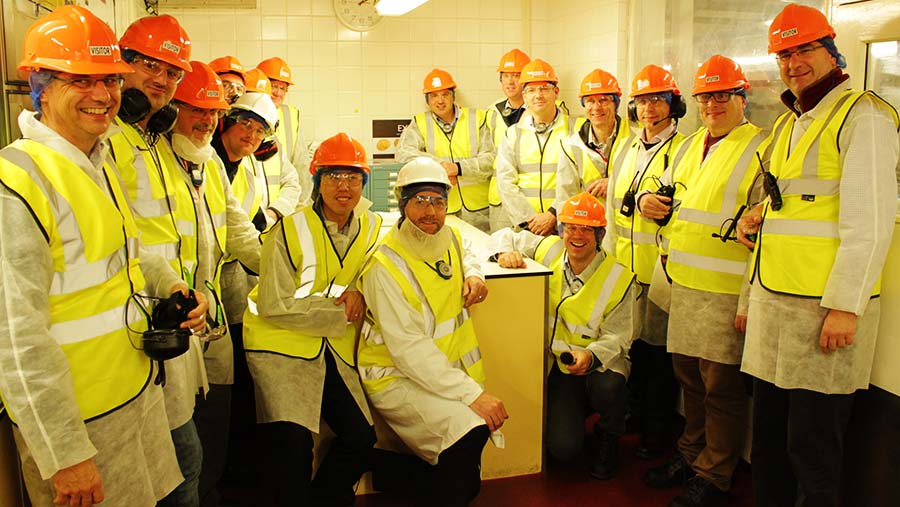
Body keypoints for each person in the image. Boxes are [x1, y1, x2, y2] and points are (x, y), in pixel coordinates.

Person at [0, 6, 208, 506]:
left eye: (110, 80)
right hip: (78, 422)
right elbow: (15, 336)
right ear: (42, 86)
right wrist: (63, 453)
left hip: (134, 396)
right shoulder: (18, 182)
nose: (102, 95)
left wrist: (174, 288)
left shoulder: (97, 163)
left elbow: (131, 255)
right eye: (80, 80)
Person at [735, 4, 899, 506]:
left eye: (804, 49)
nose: (793, 62)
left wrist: (847, 305)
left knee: (813, 450)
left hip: (823, 313)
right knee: (766, 442)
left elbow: (870, 221)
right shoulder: (789, 123)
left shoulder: (862, 115)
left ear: (831, 51)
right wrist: (753, 220)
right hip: (773, 306)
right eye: (784, 53)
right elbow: (789, 205)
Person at [640, 55, 766, 507]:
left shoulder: (759, 147)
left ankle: (715, 473)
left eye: (722, 94)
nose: (712, 103)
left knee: (720, 388)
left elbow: (763, 230)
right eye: (705, 96)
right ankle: (691, 455)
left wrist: (750, 302)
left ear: (741, 97)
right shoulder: (692, 144)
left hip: (725, 291)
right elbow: (668, 194)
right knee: (688, 381)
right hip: (683, 285)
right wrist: (650, 202)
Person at [357, 157, 508, 506]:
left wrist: (474, 274)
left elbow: (466, 250)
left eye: (438, 201)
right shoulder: (385, 264)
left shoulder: (448, 236)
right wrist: (472, 393)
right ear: (402, 203)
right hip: (394, 374)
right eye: (420, 201)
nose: (430, 212)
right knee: (468, 443)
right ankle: (376, 463)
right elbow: (408, 349)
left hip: (438, 372)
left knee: (465, 469)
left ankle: (383, 470)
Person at [242, 133, 380, 506]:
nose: (343, 186)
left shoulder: (369, 226)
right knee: (294, 446)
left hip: (328, 348)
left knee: (361, 437)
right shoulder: (286, 230)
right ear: (317, 180)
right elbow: (273, 304)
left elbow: (384, 267)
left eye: (352, 177)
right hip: (279, 346)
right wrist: (340, 309)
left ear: (363, 182)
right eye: (333, 176)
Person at [111, 14, 210, 507]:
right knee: (181, 460)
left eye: (172, 72)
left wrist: (191, 287)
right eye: (149, 64)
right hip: (137, 323)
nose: (162, 80)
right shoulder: (110, 141)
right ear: (120, 65)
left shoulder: (153, 141)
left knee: (183, 458)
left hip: (171, 312)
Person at [164, 61, 264, 505]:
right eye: (194, 110)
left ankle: (213, 490)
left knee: (215, 414)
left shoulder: (209, 166)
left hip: (214, 311)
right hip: (175, 315)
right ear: (172, 111)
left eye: (211, 112)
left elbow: (238, 229)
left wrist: (293, 272)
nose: (205, 121)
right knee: (182, 434)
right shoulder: (160, 160)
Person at [494, 192, 637, 480]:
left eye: (587, 229)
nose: (577, 235)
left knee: (609, 386)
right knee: (563, 450)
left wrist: (591, 356)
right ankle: (576, 413)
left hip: (601, 365)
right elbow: (505, 235)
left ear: (599, 235)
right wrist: (502, 254)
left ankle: (609, 434)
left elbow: (620, 336)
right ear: (561, 231)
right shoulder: (550, 250)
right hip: (560, 368)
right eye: (570, 227)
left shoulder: (619, 277)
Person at [202, 90, 286, 506]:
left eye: (260, 129)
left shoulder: (249, 168)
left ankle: (232, 471)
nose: (250, 135)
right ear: (226, 122)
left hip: (235, 290)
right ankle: (221, 478)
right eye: (245, 124)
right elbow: (237, 235)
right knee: (219, 393)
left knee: (236, 384)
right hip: (205, 289)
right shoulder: (206, 161)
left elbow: (249, 226)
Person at [606, 64, 686, 459]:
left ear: (673, 104)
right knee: (632, 349)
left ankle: (658, 435)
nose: (649, 108)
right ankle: (635, 417)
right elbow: (611, 211)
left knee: (658, 357)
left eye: (658, 99)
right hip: (625, 269)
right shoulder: (627, 149)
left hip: (661, 272)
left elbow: (685, 206)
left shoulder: (683, 149)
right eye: (641, 101)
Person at [397, 68, 494, 232]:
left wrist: (458, 168)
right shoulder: (420, 122)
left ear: (453, 96)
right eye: (434, 96)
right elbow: (403, 153)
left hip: (480, 210)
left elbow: (491, 158)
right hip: (440, 206)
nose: (440, 101)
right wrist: (441, 167)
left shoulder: (478, 118)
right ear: (427, 100)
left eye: (445, 94)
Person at [494, 58, 574, 235]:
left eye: (544, 89)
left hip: (565, 225)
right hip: (526, 227)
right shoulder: (513, 134)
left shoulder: (575, 130)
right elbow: (506, 182)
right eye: (531, 90)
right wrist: (529, 221)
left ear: (556, 92)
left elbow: (578, 181)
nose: (538, 95)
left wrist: (554, 215)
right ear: (524, 96)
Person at [557, 69, 634, 204]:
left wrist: (615, 183)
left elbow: (648, 180)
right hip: (589, 224)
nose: (596, 107)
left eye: (603, 100)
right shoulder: (572, 146)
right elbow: (566, 199)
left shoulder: (635, 137)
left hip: (627, 223)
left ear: (615, 103)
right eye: (590, 101)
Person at [484, 48, 531, 232]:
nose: (511, 81)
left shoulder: (541, 110)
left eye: (517, 75)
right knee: (501, 251)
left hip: (529, 196)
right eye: (506, 76)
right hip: (499, 199)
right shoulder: (492, 111)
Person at [257, 56, 311, 206]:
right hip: (254, 206)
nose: (278, 93)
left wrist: (300, 206)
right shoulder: (242, 115)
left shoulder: (291, 116)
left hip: (286, 205)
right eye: (273, 86)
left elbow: (301, 167)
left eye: (283, 88)